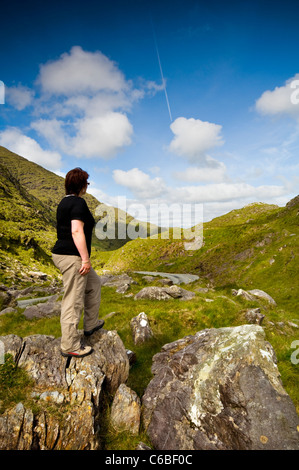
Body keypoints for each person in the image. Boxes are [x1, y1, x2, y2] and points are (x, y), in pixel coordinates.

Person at [52, 167, 104, 358]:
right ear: (82, 185)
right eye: (86, 183)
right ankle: (70, 345)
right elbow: (76, 231)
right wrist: (85, 259)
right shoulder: (78, 203)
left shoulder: (64, 203)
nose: (87, 186)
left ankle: (91, 324)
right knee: (73, 300)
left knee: (94, 284)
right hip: (73, 258)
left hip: (64, 254)